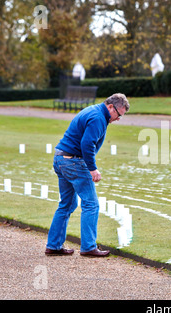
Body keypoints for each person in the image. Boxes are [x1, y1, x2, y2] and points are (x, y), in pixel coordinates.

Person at [45, 93, 130, 257]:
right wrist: (92, 168)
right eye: (118, 114)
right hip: (74, 162)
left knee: (67, 205)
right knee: (91, 204)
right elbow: (87, 143)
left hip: (60, 158)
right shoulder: (98, 117)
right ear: (110, 107)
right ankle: (89, 247)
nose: (118, 119)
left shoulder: (93, 110)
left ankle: (54, 245)